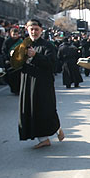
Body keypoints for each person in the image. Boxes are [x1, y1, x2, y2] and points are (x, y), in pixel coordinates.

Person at [18, 19, 64, 149]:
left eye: (36, 29)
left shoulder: (48, 46)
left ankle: (57, 128)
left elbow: (52, 65)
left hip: (43, 84)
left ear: (41, 30)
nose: (34, 32)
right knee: (32, 110)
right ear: (27, 30)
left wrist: (36, 55)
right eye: (31, 29)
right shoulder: (23, 45)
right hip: (28, 82)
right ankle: (43, 139)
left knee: (46, 109)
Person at [2, 27, 23, 94]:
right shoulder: (7, 41)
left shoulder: (21, 41)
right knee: (11, 76)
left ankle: (19, 89)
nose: (15, 36)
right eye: (13, 34)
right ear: (10, 34)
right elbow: (4, 51)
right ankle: (13, 89)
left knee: (18, 76)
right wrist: (6, 59)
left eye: (16, 34)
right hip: (9, 61)